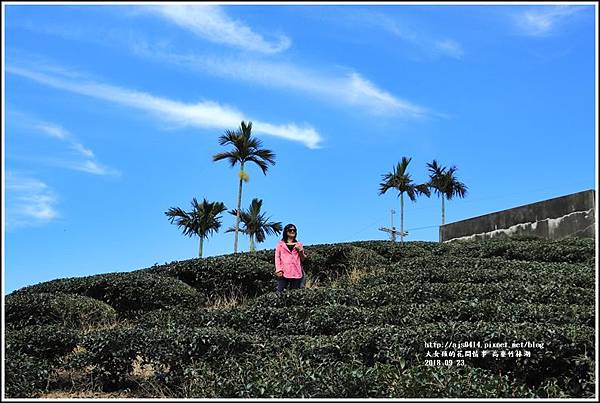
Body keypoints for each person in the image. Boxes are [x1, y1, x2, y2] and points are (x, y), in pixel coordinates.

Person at [275, 223, 307, 293]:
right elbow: (277, 257)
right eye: (290, 230)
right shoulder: (280, 244)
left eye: (294, 230)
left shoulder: (299, 244)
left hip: (296, 272)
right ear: (286, 232)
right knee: (280, 292)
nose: (292, 232)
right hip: (284, 272)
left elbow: (303, 259)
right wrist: (278, 270)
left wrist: (301, 251)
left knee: (294, 293)